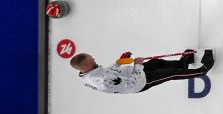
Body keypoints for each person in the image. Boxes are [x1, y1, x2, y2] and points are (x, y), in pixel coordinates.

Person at [70, 50, 214, 95]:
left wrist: (119, 62)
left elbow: (108, 72)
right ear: (87, 64)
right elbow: (129, 84)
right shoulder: (102, 81)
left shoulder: (89, 72)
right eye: (91, 58)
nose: (93, 57)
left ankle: (182, 63)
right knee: (171, 73)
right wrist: (138, 66)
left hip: (134, 72)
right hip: (140, 82)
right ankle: (202, 71)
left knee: (157, 63)